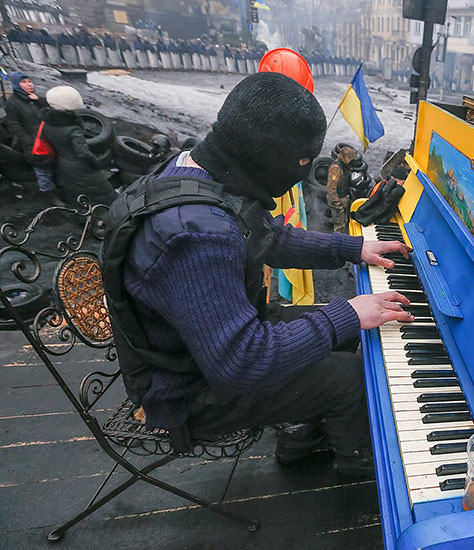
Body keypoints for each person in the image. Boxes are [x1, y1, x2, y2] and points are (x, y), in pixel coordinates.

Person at [101, 73, 414, 478]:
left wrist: (351, 249)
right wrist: (347, 314)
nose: (304, 173)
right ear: (267, 155)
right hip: (185, 388)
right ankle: (358, 469)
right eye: (303, 161)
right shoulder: (194, 234)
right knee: (348, 377)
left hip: (199, 344)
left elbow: (268, 237)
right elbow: (239, 361)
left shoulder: (201, 169)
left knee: (349, 328)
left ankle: (298, 433)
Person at [39, 86, 117, 207]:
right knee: (105, 193)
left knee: (76, 194)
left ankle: (83, 216)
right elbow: (83, 153)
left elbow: (46, 142)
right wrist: (97, 164)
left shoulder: (46, 123)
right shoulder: (73, 128)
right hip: (81, 167)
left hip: (62, 164)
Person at [4, 72, 57, 200]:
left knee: (55, 165)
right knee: (42, 170)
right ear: (17, 84)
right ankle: (50, 195)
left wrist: (39, 101)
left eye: (29, 81)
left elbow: (51, 112)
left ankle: (58, 188)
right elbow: (15, 125)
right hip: (34, 142)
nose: (29, 84)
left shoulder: (35, 98)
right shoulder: (12, 103)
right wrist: (30, 142)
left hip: (49, 138)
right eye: (24, 82)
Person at [327, 145, 357, 233]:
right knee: (339, 226)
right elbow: (331, 188)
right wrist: (336, 203)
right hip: (337, 199)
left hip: (343, 197)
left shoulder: (344, 166)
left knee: (344, 221)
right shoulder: (336, 168)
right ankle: (338, 243)